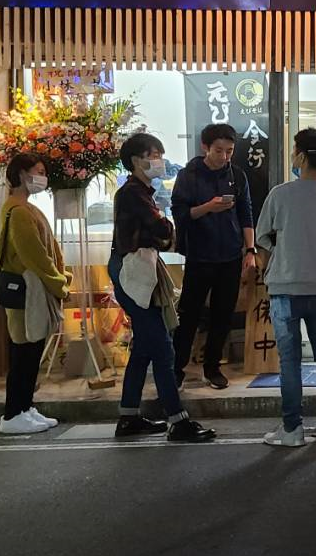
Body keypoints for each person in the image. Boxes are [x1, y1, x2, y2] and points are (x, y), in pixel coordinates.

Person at [111, 133, 216, 442]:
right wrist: (165, 231)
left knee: (145, 347)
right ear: (135, 160)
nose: (158, 160)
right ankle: (177, 420)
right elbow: (163, 228)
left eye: (160, 153)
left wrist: (163, 233)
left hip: (136, 268)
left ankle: (128, 416)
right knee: (162, 347)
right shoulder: (133, 193)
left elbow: (161, 232)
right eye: (153, 154)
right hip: (133, 271)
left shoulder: (140, 191)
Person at [255, 129, 316, 448]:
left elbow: (262, 236)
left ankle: (292, 429)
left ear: (302, 156)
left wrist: (278, 249)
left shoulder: (280, 194)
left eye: (295, 150)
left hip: (285, 288)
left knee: (290, 361)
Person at [170, 123, 258, 390]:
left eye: (230, 151)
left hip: (230, 254)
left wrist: (250, 250)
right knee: (189, 315)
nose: (225, 157)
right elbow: (181, 214)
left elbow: (246, 213)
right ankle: (177, 367)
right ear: (205, 147)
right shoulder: (189, 175)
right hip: (199, 255)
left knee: (223, 314)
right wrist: (209, 207)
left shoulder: (237, 174)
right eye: (219, 150)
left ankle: (212, 367)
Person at [0, 153, 71, 435]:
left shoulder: (24, 208)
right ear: (22, 175)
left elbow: (47, 251)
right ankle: (13, 413)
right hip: (26, 292)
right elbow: (35, 255)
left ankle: (25, 408)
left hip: (32, 290)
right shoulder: (18, 211)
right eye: (38, 171)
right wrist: (59, 284)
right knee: (23, 353)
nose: (43, 177)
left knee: (31, 351)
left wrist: (60, 277)